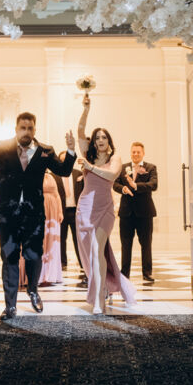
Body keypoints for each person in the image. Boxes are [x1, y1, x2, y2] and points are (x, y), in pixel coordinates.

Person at [0, 112, 76, 320]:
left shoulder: (46, 151)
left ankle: (33, 290)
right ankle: (10, 306)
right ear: (16, 129)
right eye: (23, 128)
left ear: (35, 130)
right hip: (6, 213)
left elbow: (64, 171)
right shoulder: (2, 147)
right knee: (9, 257)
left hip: (34, 214)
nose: (26, 132)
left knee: (33, 255)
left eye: (30, 128)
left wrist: (71, 150)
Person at [75, 95, 137, 314]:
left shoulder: (115, 158)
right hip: (85, 208)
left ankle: (99, 301)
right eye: (97, 137)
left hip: (105, 210)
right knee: (92, 253)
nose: (100, 140)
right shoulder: (88, 154)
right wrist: (86, 109)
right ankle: (102, 290)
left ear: (109, 141)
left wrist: (90, 167)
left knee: (96, 248)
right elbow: (80, 131)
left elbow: (111, 175)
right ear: (94, 142)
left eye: (104, 137)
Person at [113, 142, 158, 283]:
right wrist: (123, 189)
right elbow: (115, 184)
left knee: (146, 244)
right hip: (126, 213)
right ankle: (124, 273)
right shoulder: (123, 168)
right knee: (125, 244)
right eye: (133, 152)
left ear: (143, 153)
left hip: (145, 213)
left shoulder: (150, 168)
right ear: (130, 153)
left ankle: (147, 273)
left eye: (138, 152)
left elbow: (154, 185)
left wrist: (136, 186)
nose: (136, 154)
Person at [52, 151, 85, 283]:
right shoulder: (55, 175)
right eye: (62, 160)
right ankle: (62, 262)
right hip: (61, 211)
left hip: (76, 211)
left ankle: (82, 262)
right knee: (61, 238)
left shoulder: (79, 174)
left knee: (78, 239)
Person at [38, 171, 64, 285]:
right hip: (39, 209)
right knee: (41, 240)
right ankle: (39, 274)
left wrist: (60, 211)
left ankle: (51, 274)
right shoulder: (33, 173)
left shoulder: (50, 177)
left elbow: (57, 195)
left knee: (53, 241)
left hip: (53, 211)